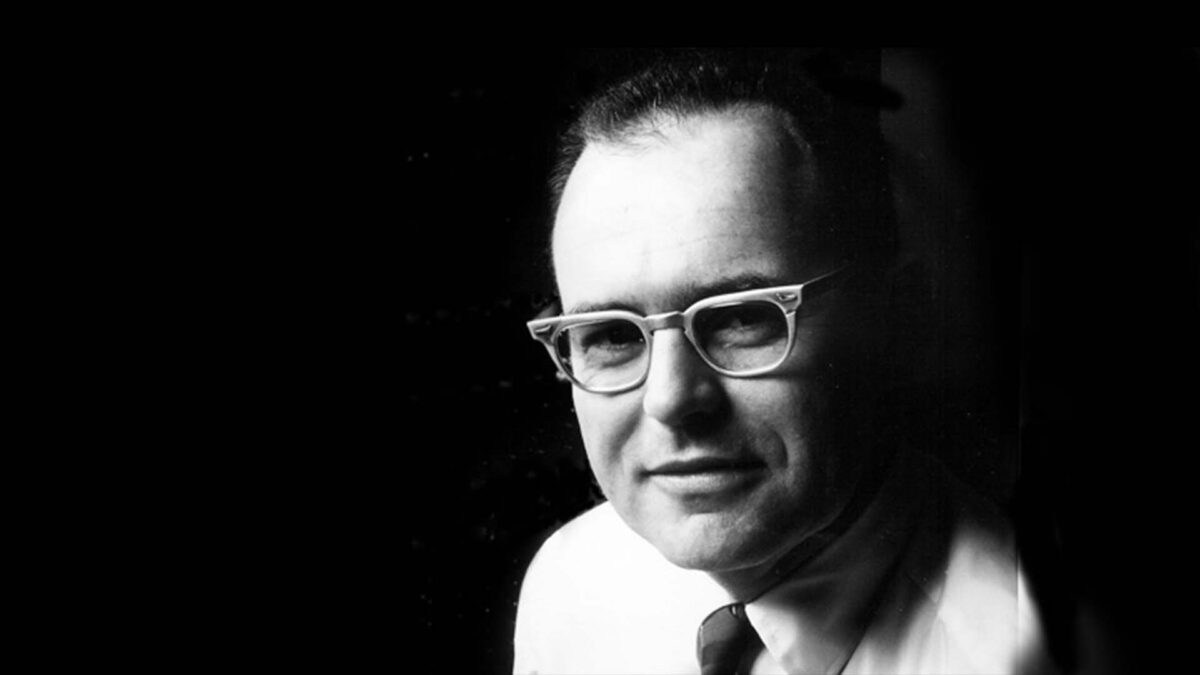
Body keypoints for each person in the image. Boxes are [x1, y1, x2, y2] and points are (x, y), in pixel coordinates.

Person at [514, 51, 1054, 674]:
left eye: (742, 318)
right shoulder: (570, 583)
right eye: (611, 335)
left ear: (898, 321)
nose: (671, 400)